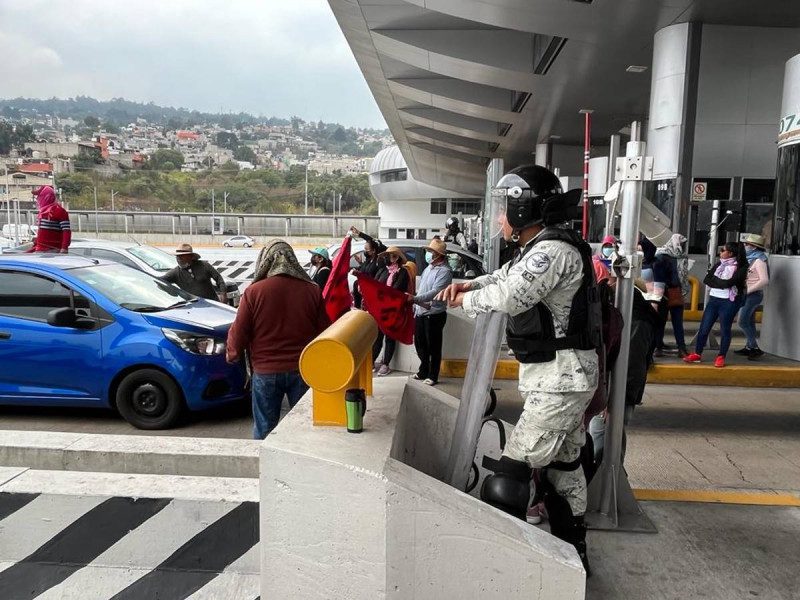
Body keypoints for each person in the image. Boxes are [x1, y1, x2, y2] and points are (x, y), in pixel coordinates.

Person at [437, 165, 598, 571]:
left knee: (510, 475)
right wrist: (469, 284)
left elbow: (510, 295)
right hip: (560, 377)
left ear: (525, 210)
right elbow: (503, 275)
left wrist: (463, 302)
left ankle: (500, 571)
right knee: (564, 468)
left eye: (504, 209)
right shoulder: (540, 246)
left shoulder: (552, 251)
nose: (497, 218)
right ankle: (574, 556)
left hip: (562, 380)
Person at [226, 240, 330, 438]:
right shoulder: (312, 290)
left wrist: (233, 353)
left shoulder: (254, 291)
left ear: (266, 260)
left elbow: (240, 330)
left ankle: (264, 467)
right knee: (303, 428)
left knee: (265, 428)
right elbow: (324, 331)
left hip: (266, 371)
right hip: (302, 370)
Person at [683, 242, 748, 368]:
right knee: (704, 327)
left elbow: (729, 283)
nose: (721, 252)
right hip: (714, 299)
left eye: (723, 250)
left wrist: (717, 282)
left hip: (729, 301)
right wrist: (721, 283)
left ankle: (721, 356)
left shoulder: (741, 267)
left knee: (725, 329)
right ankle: (697, 353)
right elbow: (707, 279)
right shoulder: (719, 264)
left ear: (731, 253)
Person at [409, 238, 452, 386]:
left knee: (433, 346)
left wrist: (414, 299)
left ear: (438, 255)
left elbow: (435, 292)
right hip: (421, 312)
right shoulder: (429, 268)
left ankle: (433, 375)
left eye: (430, 252)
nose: (428, 254)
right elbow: (423, 289)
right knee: (420, 344)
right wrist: (416, 302)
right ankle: (423, 370)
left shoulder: (445, 272)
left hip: (434, 314)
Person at [372, 246, 412, 376]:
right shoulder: (383, 271)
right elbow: (374, 285)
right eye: (389, 256)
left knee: (389, 337)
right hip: (380, 310)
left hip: (393, 310)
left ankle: (386, 364)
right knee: (378, 336)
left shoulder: (403, 273)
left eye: (394, 256)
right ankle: (372, 361)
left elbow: (396, 289)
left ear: (399, 258)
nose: (391, 258)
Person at [653, 234, 689, 358]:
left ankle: (659, 346)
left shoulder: (674, 257)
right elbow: (674, 278)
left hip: (669, 293)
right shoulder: (663, 258)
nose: (683, 246)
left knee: (661, 322)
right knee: (675, 322)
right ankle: (680, 348)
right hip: (668, 292)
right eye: (681, 244)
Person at [734, 233, 769, 360]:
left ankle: (754, 347)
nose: (745, 246)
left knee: (742, 321)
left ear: (754, 247)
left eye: (747, 244)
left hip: (752, 295)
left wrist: (747, 291)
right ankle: (749, 347)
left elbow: (764, 280)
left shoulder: (759, 260)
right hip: (749, 294)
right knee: (749, 321)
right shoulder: (750, 258)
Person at [160, 244, 227, 303]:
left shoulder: (204, 265)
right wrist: (172, 292)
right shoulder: (175, 273)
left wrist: (223, 294)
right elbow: (158, 281)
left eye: (181, 256)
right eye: (177, 256)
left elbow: (218, 278)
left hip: (213, 303)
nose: (178, 258)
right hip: (193, 308)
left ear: (191, 256)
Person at [349, 226, 387, 308]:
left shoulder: (379, 261)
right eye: (364, 249)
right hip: (361, 295)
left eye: (366, 249)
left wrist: (360, 234)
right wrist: (360, 264)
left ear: (373, 250)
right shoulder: (368, 260)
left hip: (371, 294)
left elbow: (374, 276)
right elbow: (363, 271)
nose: (365, 251)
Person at [27, 186, 71, 253]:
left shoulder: (60, 211)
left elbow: (66, 231)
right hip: (40, 250)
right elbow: (45, 233)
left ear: (46, 196)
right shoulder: (42, 213)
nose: (37, 199)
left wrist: (64, 248)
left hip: (53, 251)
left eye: (39, 196)